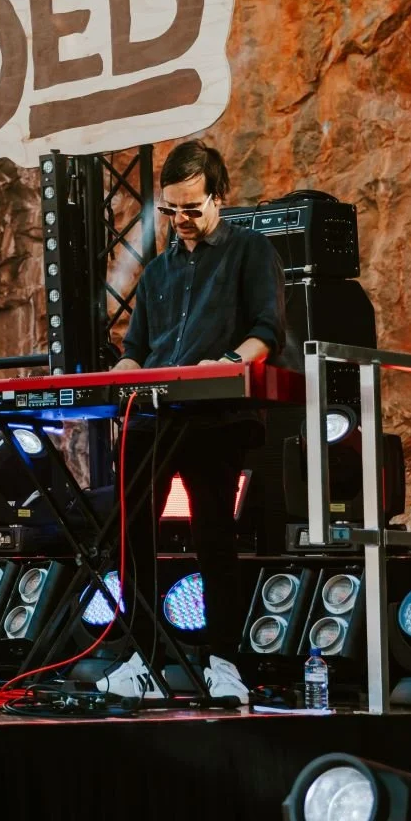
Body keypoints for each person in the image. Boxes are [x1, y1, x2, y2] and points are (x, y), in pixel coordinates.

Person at [100, 139, 284, 704]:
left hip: (214, 417)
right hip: (154, 419)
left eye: (192, 208)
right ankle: (143, 659)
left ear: (219, 198)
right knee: (132, 537)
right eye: (172, 209)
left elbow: (266, 332)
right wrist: (120, 385)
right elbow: (135, 349)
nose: (180, 220)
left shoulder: (250, 252)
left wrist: (226, 364)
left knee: (213, 537)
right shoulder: (156, 273)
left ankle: (223, 662)